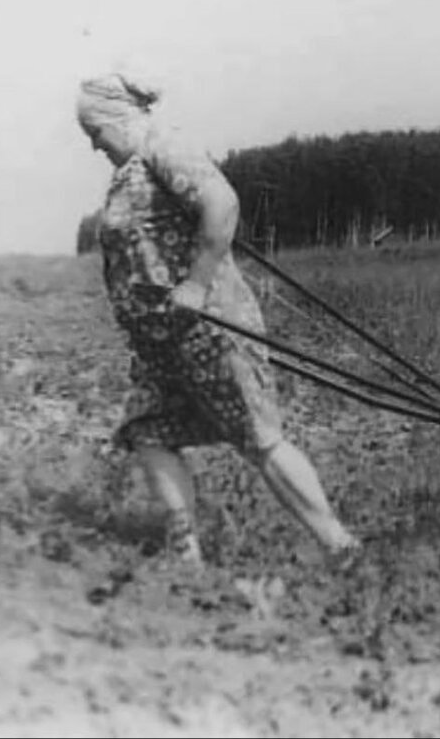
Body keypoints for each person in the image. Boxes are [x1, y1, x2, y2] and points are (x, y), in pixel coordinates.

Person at [75, 71, 359, 569]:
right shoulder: (132, 169)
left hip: (208, 329)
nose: (96, 148)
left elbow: (221, 204)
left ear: (117, 120)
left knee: (259, 438)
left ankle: (340, 548)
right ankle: (185, 557)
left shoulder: (163, 146)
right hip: (164, 343)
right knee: (149, 431)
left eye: (96, 135)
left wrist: (197, 284)